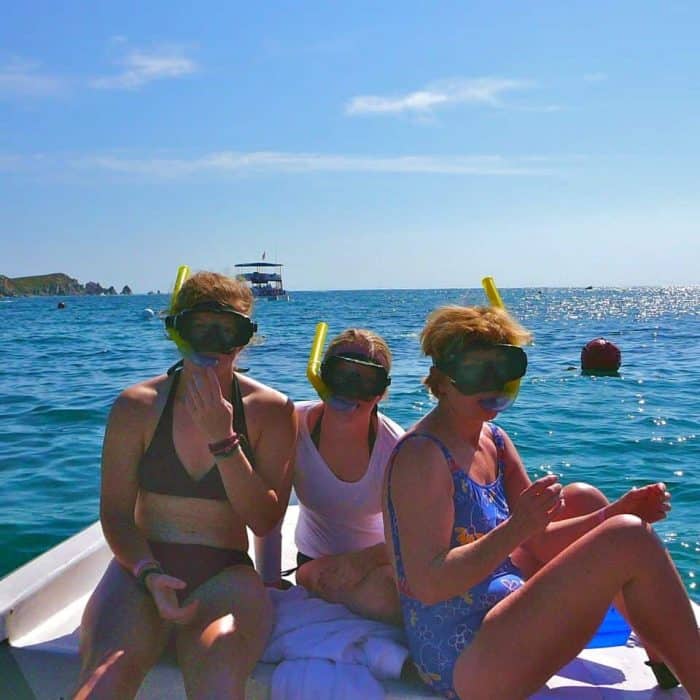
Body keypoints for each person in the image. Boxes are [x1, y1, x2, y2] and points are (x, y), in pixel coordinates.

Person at [383, 304, 700, 699]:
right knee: (626, 537)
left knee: (585, 500)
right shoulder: (422, 456)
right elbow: (427, 583)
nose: (492, 384)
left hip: (502, 619)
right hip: (465, 662)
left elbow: (541, 540)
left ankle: (666, 662)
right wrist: (517, 527)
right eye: (476, 370)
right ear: (442, 380)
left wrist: (618, 510)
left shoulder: (493, 440)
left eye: (504, 367)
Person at [75, 271, 297, 700]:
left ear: (245, 337)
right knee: (103, 679)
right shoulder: (136, 407)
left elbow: (265, 520)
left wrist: (223, 440)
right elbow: (117, 516)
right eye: (200, 328)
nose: (213, 345)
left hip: (225, 576)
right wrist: (149, 572)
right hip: (140, 571)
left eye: (227, 330)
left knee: (217, 682)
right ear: (177, 331)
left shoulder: (271, 411)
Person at [257, 328, 404, 624]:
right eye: (340, 374)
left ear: (381, 391)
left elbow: (412, 535)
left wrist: (360, 562)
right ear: (322, 376)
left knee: (396, 598)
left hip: (377, 563)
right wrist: (269, 582)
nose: (349, 390)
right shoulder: (292, 425)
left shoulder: (397, 447)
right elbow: (269, 515)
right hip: (315, 564)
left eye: (364, 379)